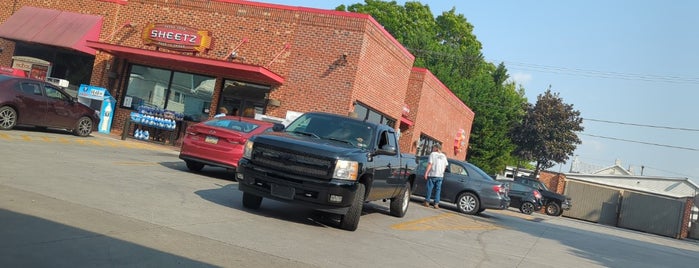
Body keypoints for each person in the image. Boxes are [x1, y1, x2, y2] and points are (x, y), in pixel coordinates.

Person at [423, 143, 447, 209]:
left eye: (433, 147)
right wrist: (442, 173)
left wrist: (426, 173)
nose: (432, 149)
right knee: (438, 190)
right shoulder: (444, 156)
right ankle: (436, 204)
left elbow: (430, 164)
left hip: (433, 174)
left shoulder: (432, 154)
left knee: (429, 188)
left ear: (436, 148)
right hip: (440, 176)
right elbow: (445, 166)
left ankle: (427, 202)